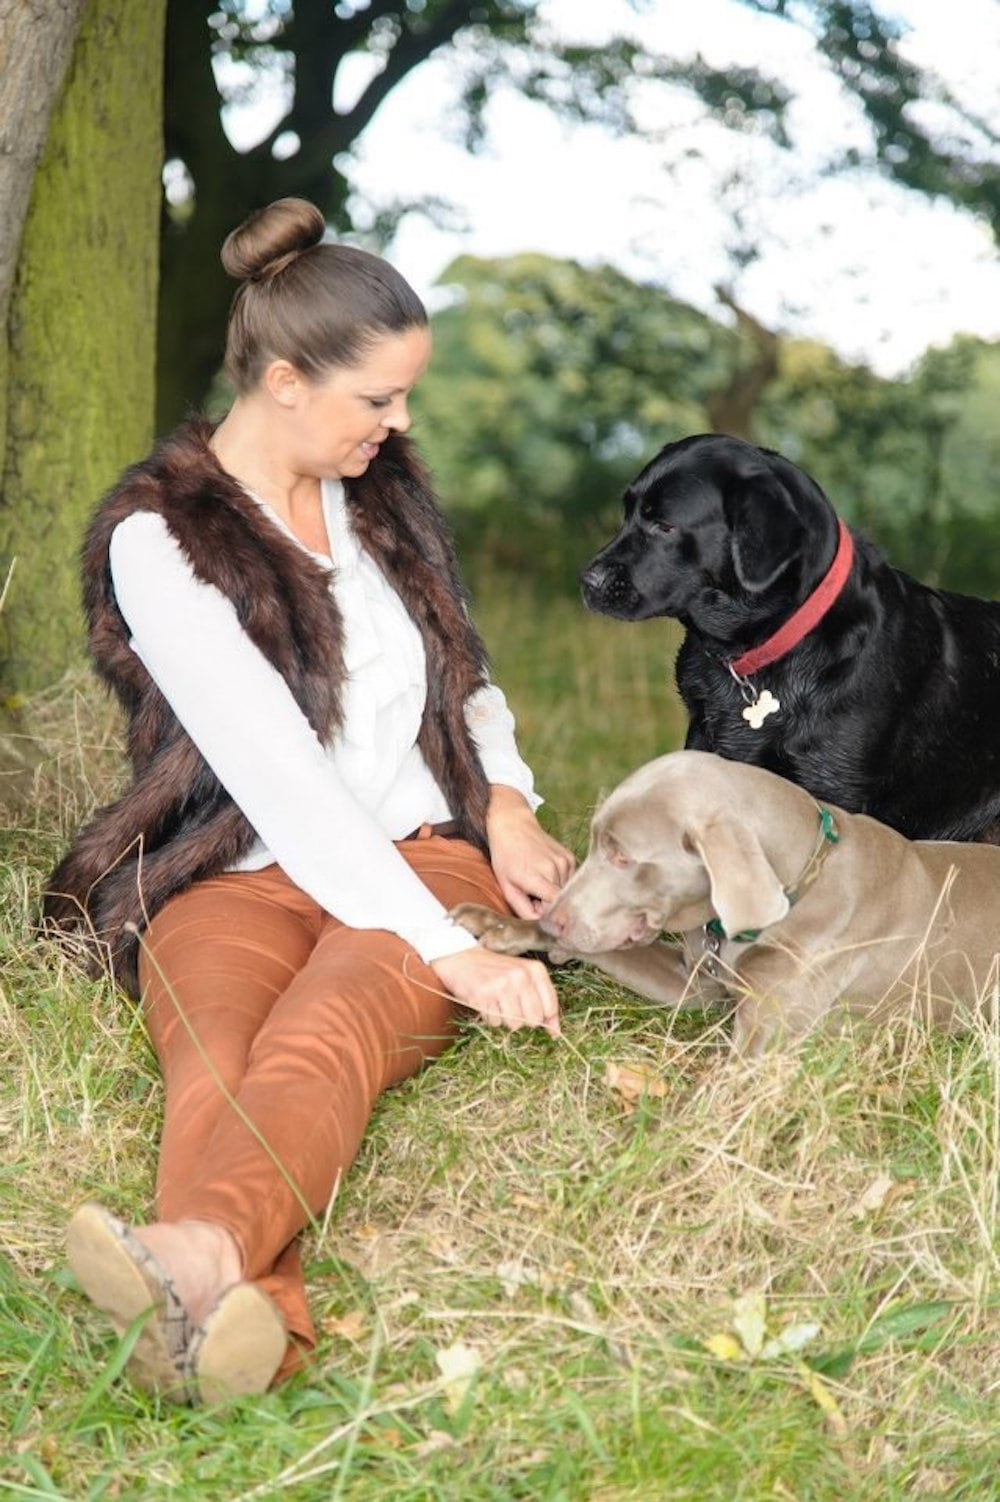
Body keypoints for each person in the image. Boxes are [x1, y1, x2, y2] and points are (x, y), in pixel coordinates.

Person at [44, 196, 575, 1406]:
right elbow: (279, 775)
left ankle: (193, 1263)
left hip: (423, 851)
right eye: (378, 397)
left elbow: (463, 673)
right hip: (228, 863)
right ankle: (250, 1316)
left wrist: (504, 805)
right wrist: (455, 955)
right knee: (216, 1059)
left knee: (325, 1028)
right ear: (285, 381)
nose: (401, 422)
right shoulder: (161, 537)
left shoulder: (382, 491)